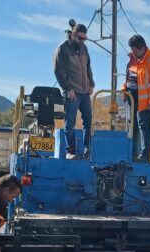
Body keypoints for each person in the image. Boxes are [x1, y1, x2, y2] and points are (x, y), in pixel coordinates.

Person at [53, 22, 95, 160]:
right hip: (72, 91)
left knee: (88, 120)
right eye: (80, 38)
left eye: (85, 39)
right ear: (72, 34)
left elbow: (88, 67)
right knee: (70, 122)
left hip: (85, 91)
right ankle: (69, 150)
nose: (82, 41)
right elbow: (58, 72)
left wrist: (91, 84)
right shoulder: (62, 49)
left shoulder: (84, 48)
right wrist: (68, 89)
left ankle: (87, 149)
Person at [125, 34, 150, 162]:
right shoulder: (136, 60)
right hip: (132, 98)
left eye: (135, 51)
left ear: (142, 48)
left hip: (146, 103)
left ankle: (145, 154)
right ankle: (132, 154)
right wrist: (124, 88)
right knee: (133, 126)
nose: (133, 53)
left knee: (143, 125)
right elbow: (130, 77)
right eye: (132, 51)